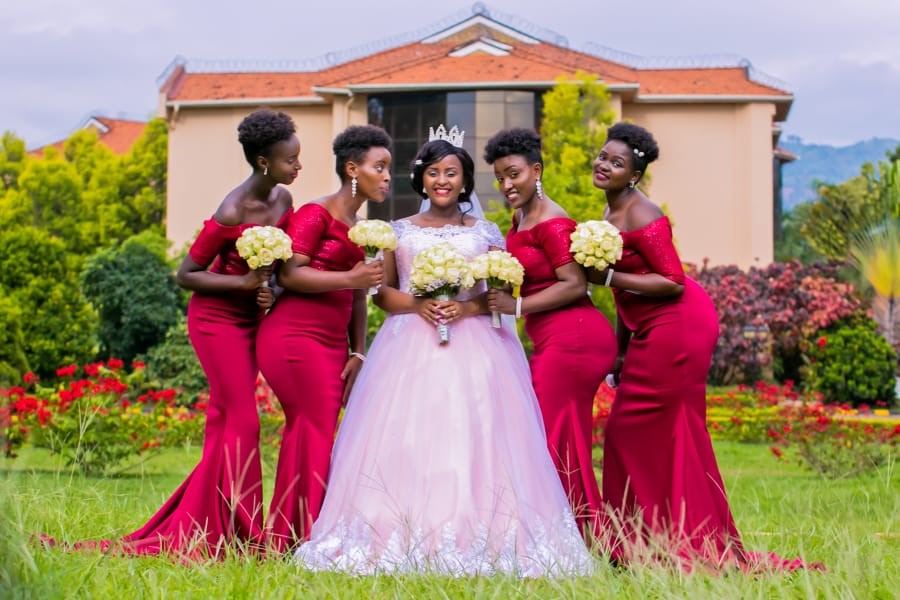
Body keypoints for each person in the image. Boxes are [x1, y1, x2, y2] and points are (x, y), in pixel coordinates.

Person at [294, 134, 594, 576]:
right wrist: (418, 304)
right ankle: (397, 527)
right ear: (421, 178)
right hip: (410, 345)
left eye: (451, 172)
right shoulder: (400, 230)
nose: (442, 180)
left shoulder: (489, 232)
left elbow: (498, 293)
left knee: (480, 434)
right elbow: (383, 295)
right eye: (433, 172)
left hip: (478, 346)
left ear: (465, 179)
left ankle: (487, 530)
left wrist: (468, 306)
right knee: (409, 436)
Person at [43, 108, 299, 556]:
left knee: (224, 426)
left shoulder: (283, 202)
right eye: (289, 160)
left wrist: (269, 289)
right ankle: (246, 532)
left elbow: (277, 272)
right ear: (263, 161)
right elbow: (187, 274)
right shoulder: (232, 209)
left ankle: (208, 524)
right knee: (244, 419)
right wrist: (242, 284)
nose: (298, 167)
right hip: (215, 320)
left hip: (249, 318)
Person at [590, 121, 820, 571]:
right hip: (648, 326)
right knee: (628, 432)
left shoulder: (642, 213)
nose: (604, 165)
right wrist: (620, 350)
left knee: (652, 428)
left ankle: (684, 542)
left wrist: (609, 277)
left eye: (617, 163)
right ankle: (637, 541)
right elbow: (624, 297)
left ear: (633, 175)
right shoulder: (605, 216)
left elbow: (671, 282)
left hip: (679, 325)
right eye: (603, 156)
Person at [256, 125, 390, 553]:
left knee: (318, 430)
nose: (387, 176)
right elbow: (290, 273)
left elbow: (359, 295)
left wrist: (358, 349)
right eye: (380, 167)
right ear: (353, 169)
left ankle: (300, 532)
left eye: (389, 168)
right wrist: (351, 275)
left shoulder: (362, 225)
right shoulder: (316, 213)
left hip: (334, 344)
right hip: (294, 337)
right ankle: (301, 537)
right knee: (312, 427)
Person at [483, 128, 616, 540]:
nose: (506, 185)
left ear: (536, 170)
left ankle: (580, 537)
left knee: (557, 434)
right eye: (500, 178)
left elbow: (575, 284)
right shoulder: (520, 217)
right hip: (552, 338)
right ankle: (569, 532)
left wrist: (516, 306)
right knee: (553, 432)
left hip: (576, 337)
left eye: (514, 174)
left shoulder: (553, 221)